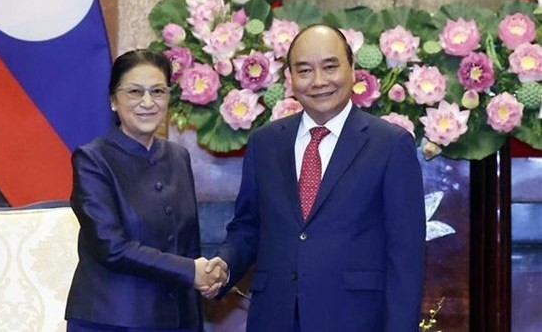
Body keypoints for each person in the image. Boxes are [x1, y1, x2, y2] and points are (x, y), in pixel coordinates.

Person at [206, 24, 426, 331]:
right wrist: (224, 264)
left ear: (352, 69)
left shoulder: (390, 145)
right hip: (275, 317)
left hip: (355, 319)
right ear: (291, 79)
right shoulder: (265, 143)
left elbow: (406, 256)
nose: (319, 81)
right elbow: (248, 226)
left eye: (330, 67)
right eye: (305, 70)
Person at [65, 49, 226, 332]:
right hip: (112, 320)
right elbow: (110, 247)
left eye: (158, 91)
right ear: (113, 100)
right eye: (135, 92)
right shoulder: (92, 159)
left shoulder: (178, 156)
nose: (148, 102)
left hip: (178, 320)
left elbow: (189, 243)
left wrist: (206, 279)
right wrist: (192, 271)